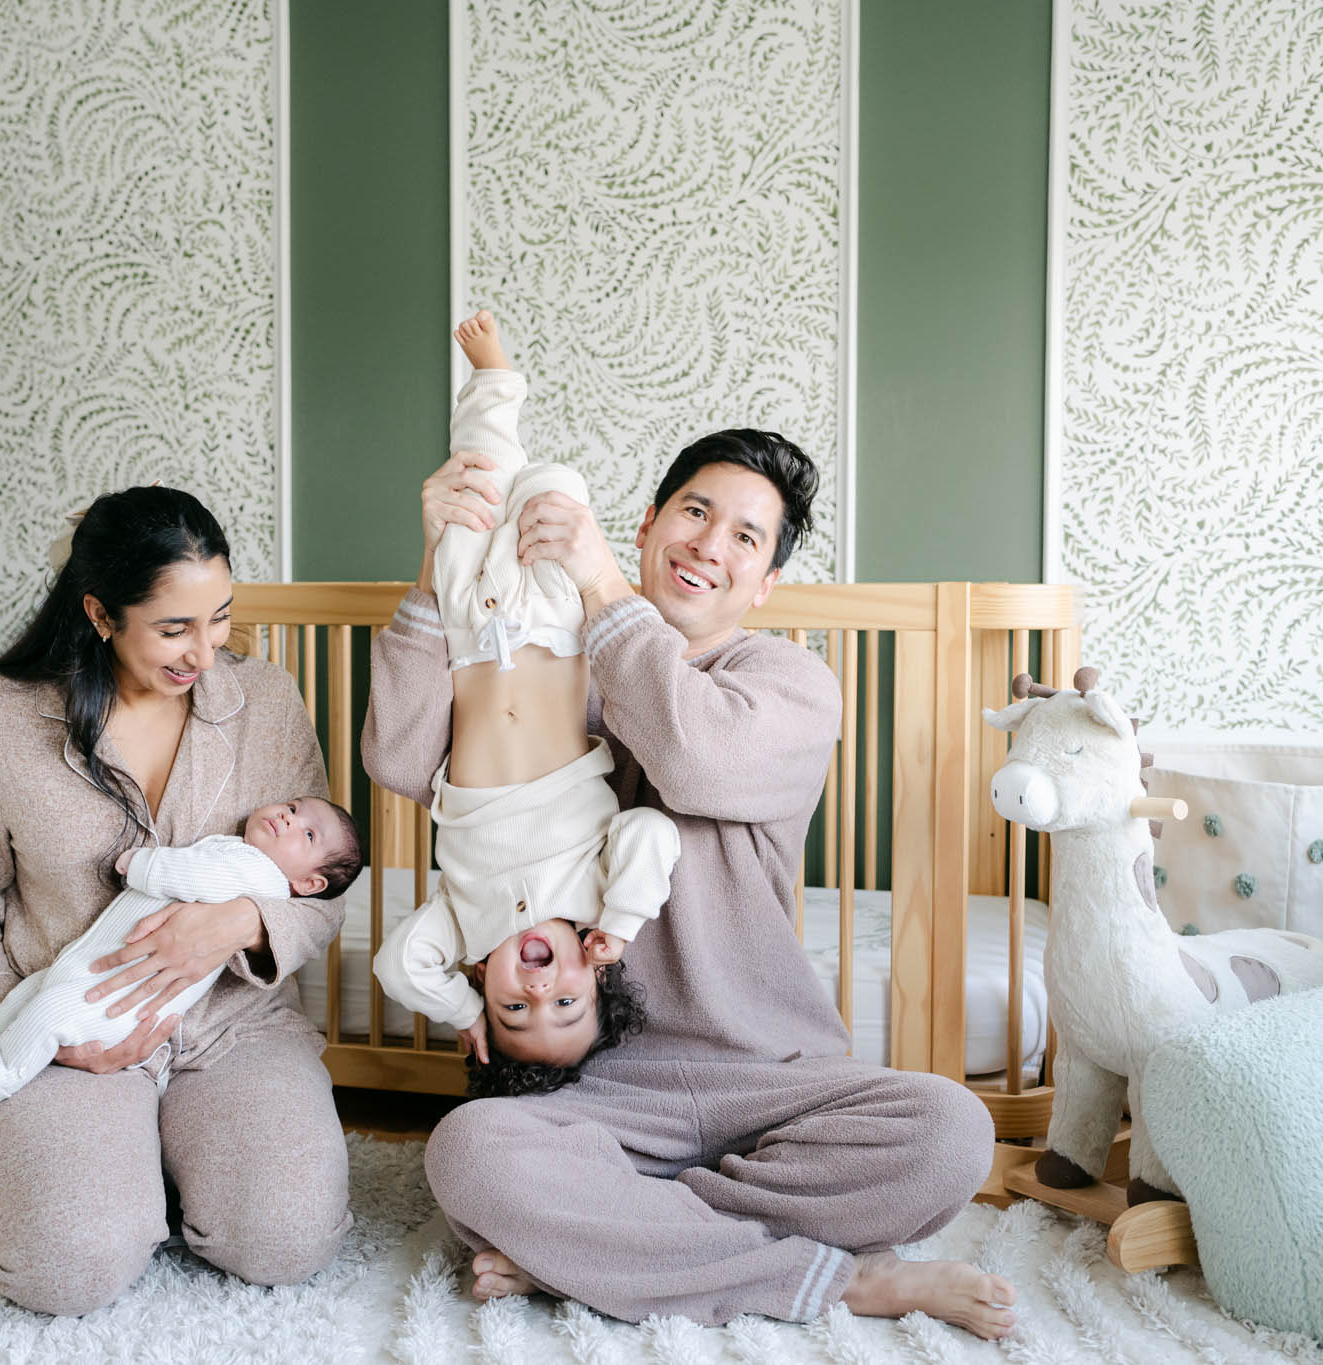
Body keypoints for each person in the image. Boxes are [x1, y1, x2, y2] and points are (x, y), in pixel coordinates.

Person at [363, 425, 1018, 1339]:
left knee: (951, 1132)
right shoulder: (558, 666)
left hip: (767, 1076)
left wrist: (603, 587)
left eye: (745, 536)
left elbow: (694, 757)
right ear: (648, 524)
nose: (710, 544)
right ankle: (831, 1279)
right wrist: (439, 568)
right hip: (597, 1087)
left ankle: (611, 1244)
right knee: (470, 1154)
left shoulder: (788, 681)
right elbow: (399, 759)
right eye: (696, 512)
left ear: (766, 580)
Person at [0, 486, 353, 1315]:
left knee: (285, 1238)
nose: (206, 653)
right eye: (175, 628)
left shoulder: (266, 701)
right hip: (62, 1025)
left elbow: (321, 889)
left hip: (231, 1027)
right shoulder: (2, 716)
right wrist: (26, 1026)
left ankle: (175, 1155)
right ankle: (110, 1160)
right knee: (66, 1269)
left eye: (220, 618)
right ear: (101, 613)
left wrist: (239, 923)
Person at [372, 312, 679, 1089]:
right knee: (553, 488)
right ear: (595, 972)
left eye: (514, 1010)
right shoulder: (598, 899)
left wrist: (461, 1011)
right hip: (552, 632)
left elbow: (398, 965)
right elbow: (650, 832)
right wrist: (620, 923)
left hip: (469, 635)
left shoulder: (461, 930)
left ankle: (492, 379)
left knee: (476, 487)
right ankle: (504, 393)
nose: (539, 991)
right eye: (567, 1002)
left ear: (484, 980)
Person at [0, 796, 362, 1105]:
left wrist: (143, 865)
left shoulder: (262, 876)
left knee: (49, 1011)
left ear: (309, 884)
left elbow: (197, 877)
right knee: (35, 991)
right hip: (97, 965)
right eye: (293, 807)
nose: (288, 818)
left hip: (119, 1001)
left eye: (308, 833)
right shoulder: (241, 852)